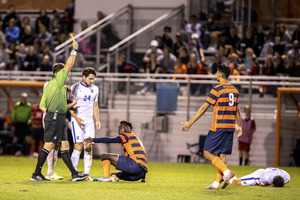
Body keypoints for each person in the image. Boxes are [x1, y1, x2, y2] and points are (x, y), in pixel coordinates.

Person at [31, 39, 88, 181]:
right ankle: (36, 174)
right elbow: (69, 65)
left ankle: (74, 174)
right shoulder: (56, 82)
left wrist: (67, 105)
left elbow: (44, 105)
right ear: (58, 73)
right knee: (49, 145)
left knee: (65, 146)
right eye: (63, 73)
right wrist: (74, 50)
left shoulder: (52, 86)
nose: (66, 75)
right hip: (55, 117)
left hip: (59, 117)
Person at [180, 64, 242, 190]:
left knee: (207, 152)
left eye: (216, 72)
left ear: (219, 74)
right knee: (222, 155)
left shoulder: (217, 89)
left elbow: (203, 108)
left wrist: (190, 122)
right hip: (230, 127)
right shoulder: (235, 91)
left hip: (219, 126)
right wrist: (239, 125)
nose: (215, 74)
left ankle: (226, 173)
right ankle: (215, 184)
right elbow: (237, 110)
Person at [70, 67, 101, 181]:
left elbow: (95, 105)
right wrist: (77, 118)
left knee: (88, 147)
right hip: (77, 120)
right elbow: (69, 106)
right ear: (83, 77)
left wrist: (97, 120)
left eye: (93, 79)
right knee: (78, 145)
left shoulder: (95, 89)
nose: (92, 81)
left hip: (89, 121)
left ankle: (87, 175)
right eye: (90, 79)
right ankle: (74, 173)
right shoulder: (74, 88)